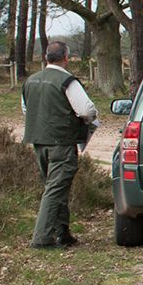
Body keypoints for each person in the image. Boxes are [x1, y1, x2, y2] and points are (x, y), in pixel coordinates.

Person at [21, 41, 97, 249]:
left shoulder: (31, 81)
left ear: (46, 57)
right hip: (61, 143)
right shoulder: (67, 81)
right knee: (55, 190)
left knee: (54, 187)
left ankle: (62, 233)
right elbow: (86, 110)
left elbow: (27, 110)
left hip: (38, 143)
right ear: (66, 58)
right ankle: (41, 239)